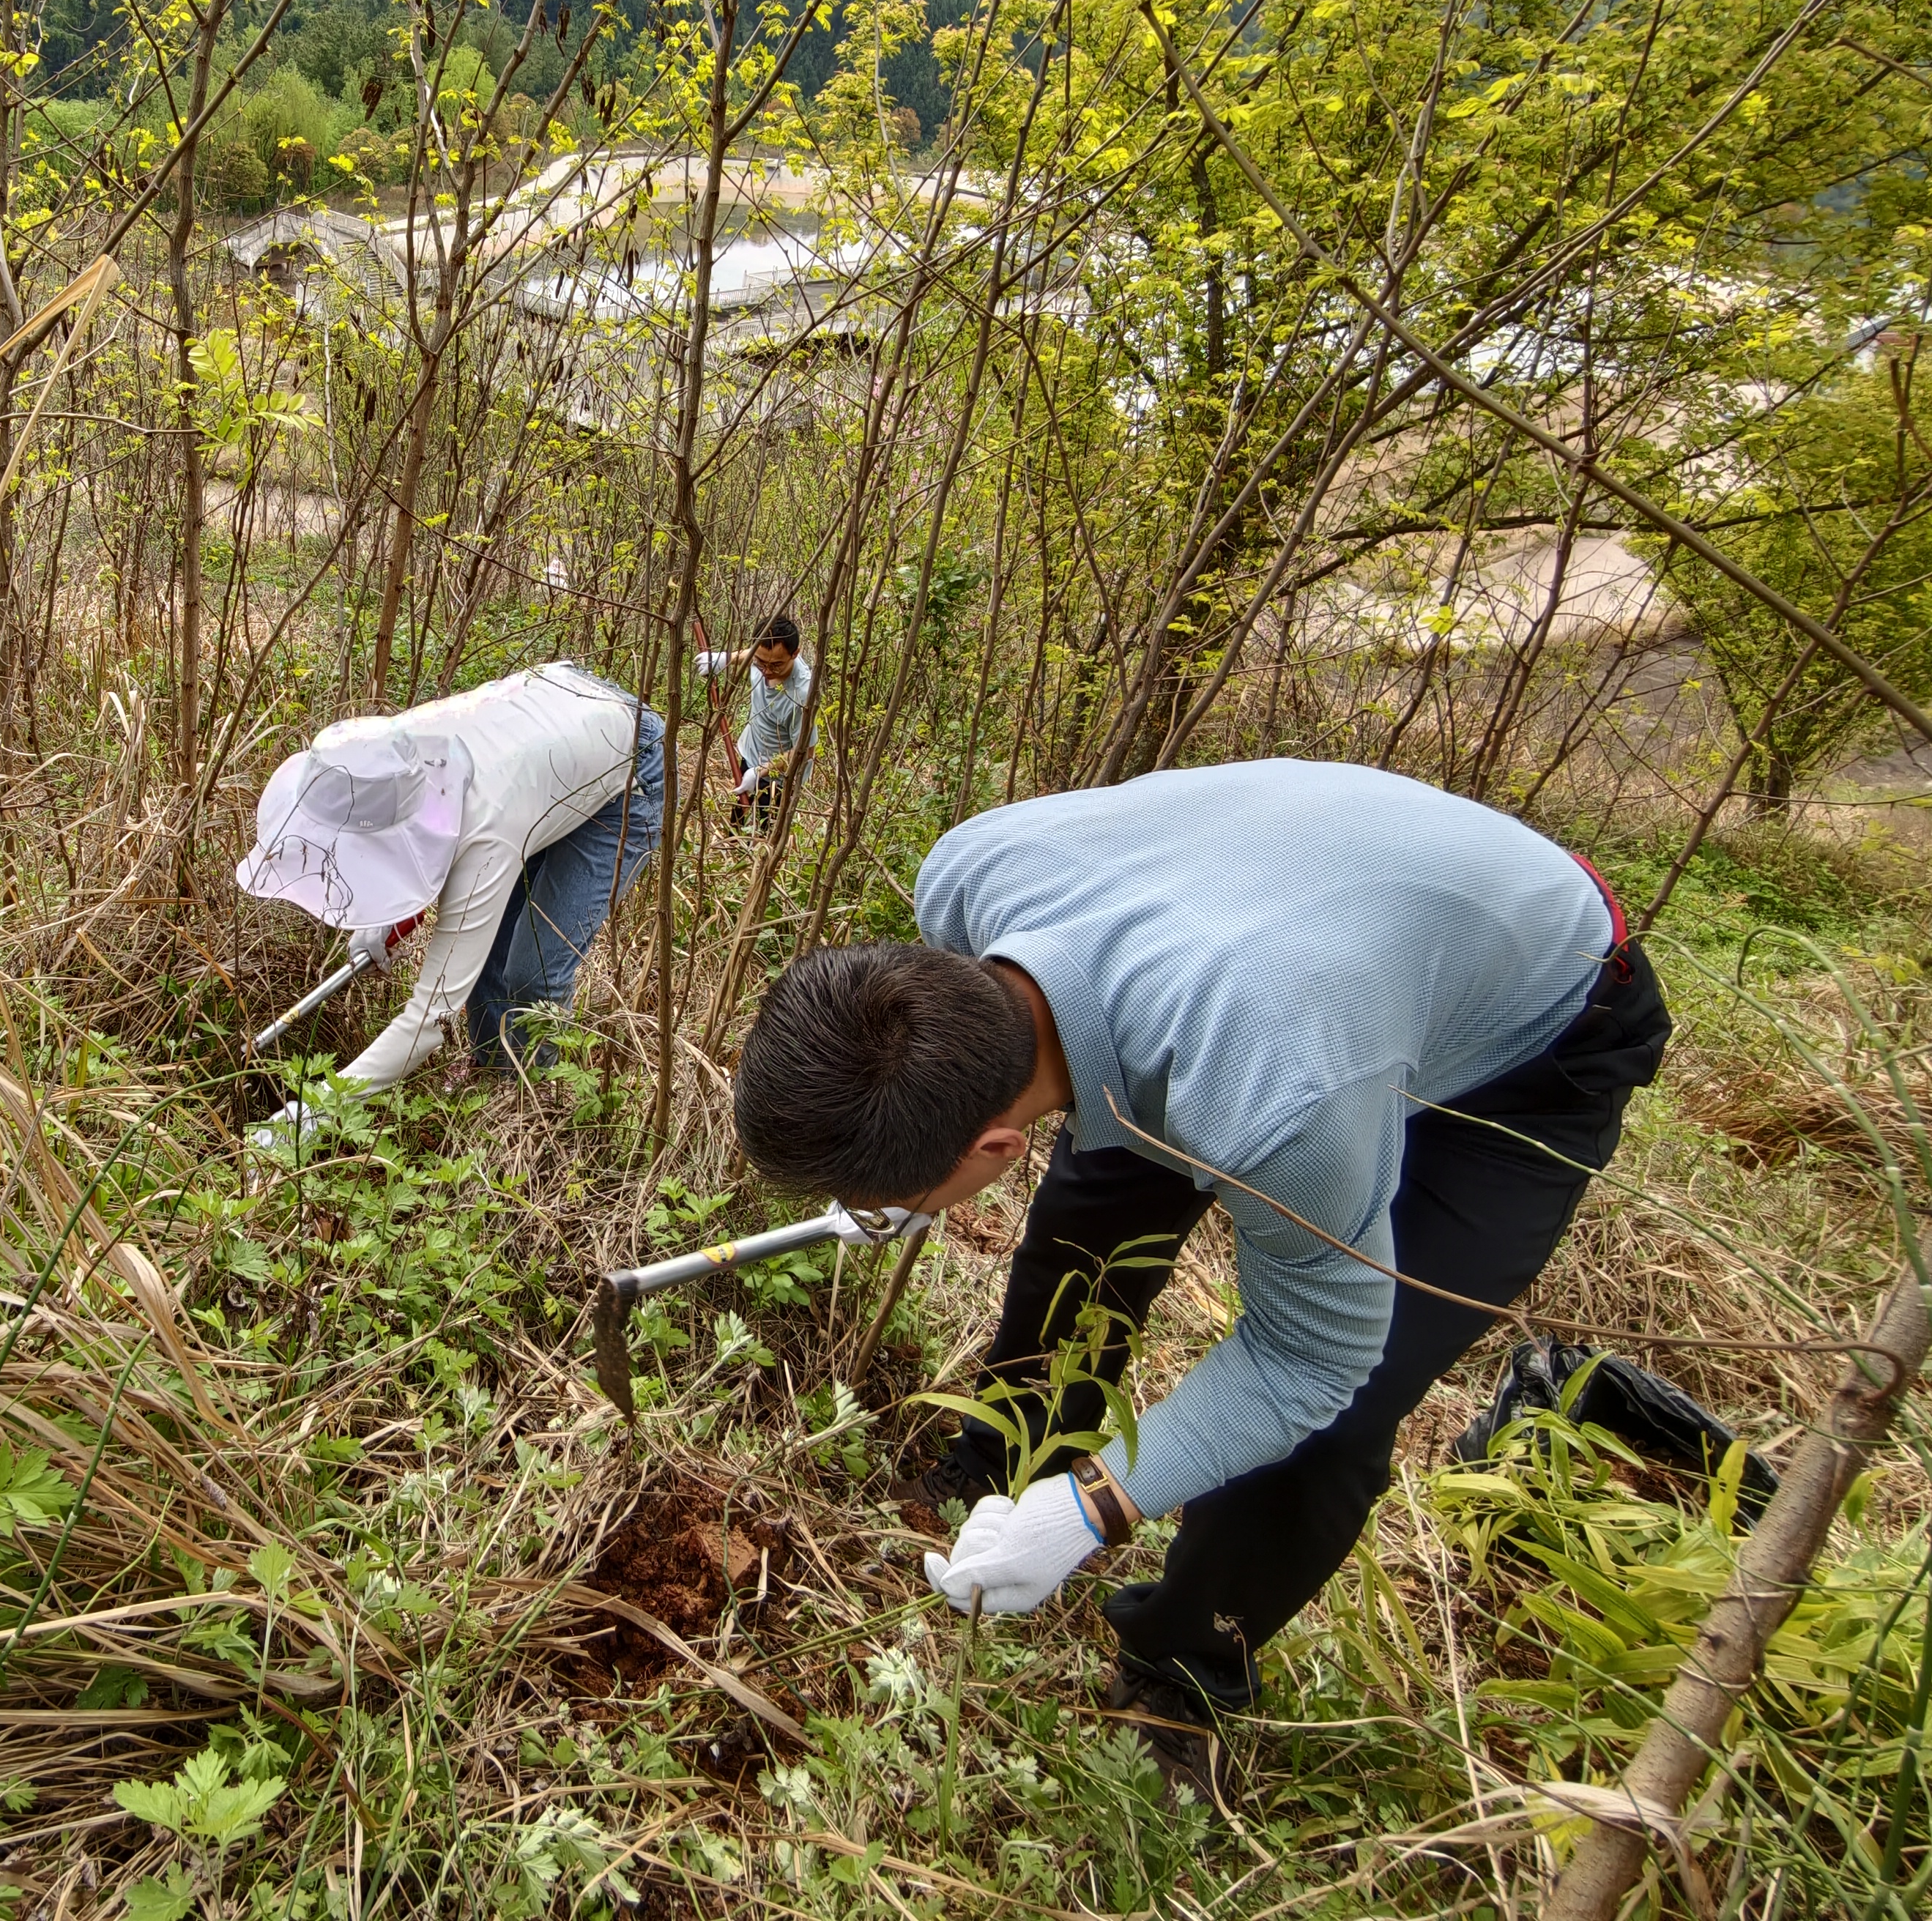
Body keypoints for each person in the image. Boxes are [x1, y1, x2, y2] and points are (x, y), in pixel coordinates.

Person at [729, 761, 1668, 1802]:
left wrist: (1093, 1509)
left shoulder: (1281, 1106)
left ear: (994, 1147)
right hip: (1309, 937)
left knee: (1342, 1410)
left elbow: (1311, 1361)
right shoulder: (967, 873)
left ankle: (1183, 1673)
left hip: (1537, 1021)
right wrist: (905, 1182)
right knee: (1086, 1226)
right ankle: (1001, 1463)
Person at [236, 662, 664, 1142]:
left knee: (534, 973)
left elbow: (430, 1018)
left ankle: (535, 1110)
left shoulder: (486, 831)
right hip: (550, 729)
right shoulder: (387, 755)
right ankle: (494, 1072)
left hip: (628, 764)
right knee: (489, 956)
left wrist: (317, 1112)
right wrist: (383, 923)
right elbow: (402, 842)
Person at [694, 614, 812, 829]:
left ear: (795, 654)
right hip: (751, 753)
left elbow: (805, 751)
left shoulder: (802, 695)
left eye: (776, 665)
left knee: (766, 833)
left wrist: (760, 772)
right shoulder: (762, 656)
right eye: (761, 662)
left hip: (779, 777)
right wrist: (726, 658)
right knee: (737, 822)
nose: (766, 670)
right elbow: (755, 654)